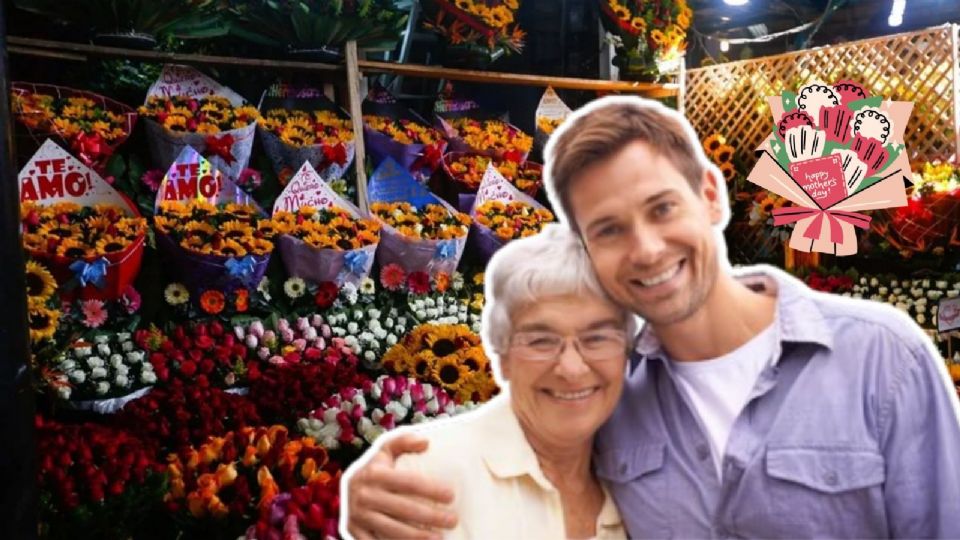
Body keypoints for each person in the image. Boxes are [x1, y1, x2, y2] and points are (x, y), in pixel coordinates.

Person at [342, 96, 960, 539]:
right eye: (608, 229)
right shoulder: (610, 393)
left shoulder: (882, 360)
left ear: (710, 195)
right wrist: (376, 489)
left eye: (662, 208)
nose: (645, 249)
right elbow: (522, 432)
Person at [343, 224, 634, 539]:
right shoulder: (428, 479)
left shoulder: (643, 489)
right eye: (541, 341)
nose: (571, 367)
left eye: (597, 338)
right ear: (503, 355)